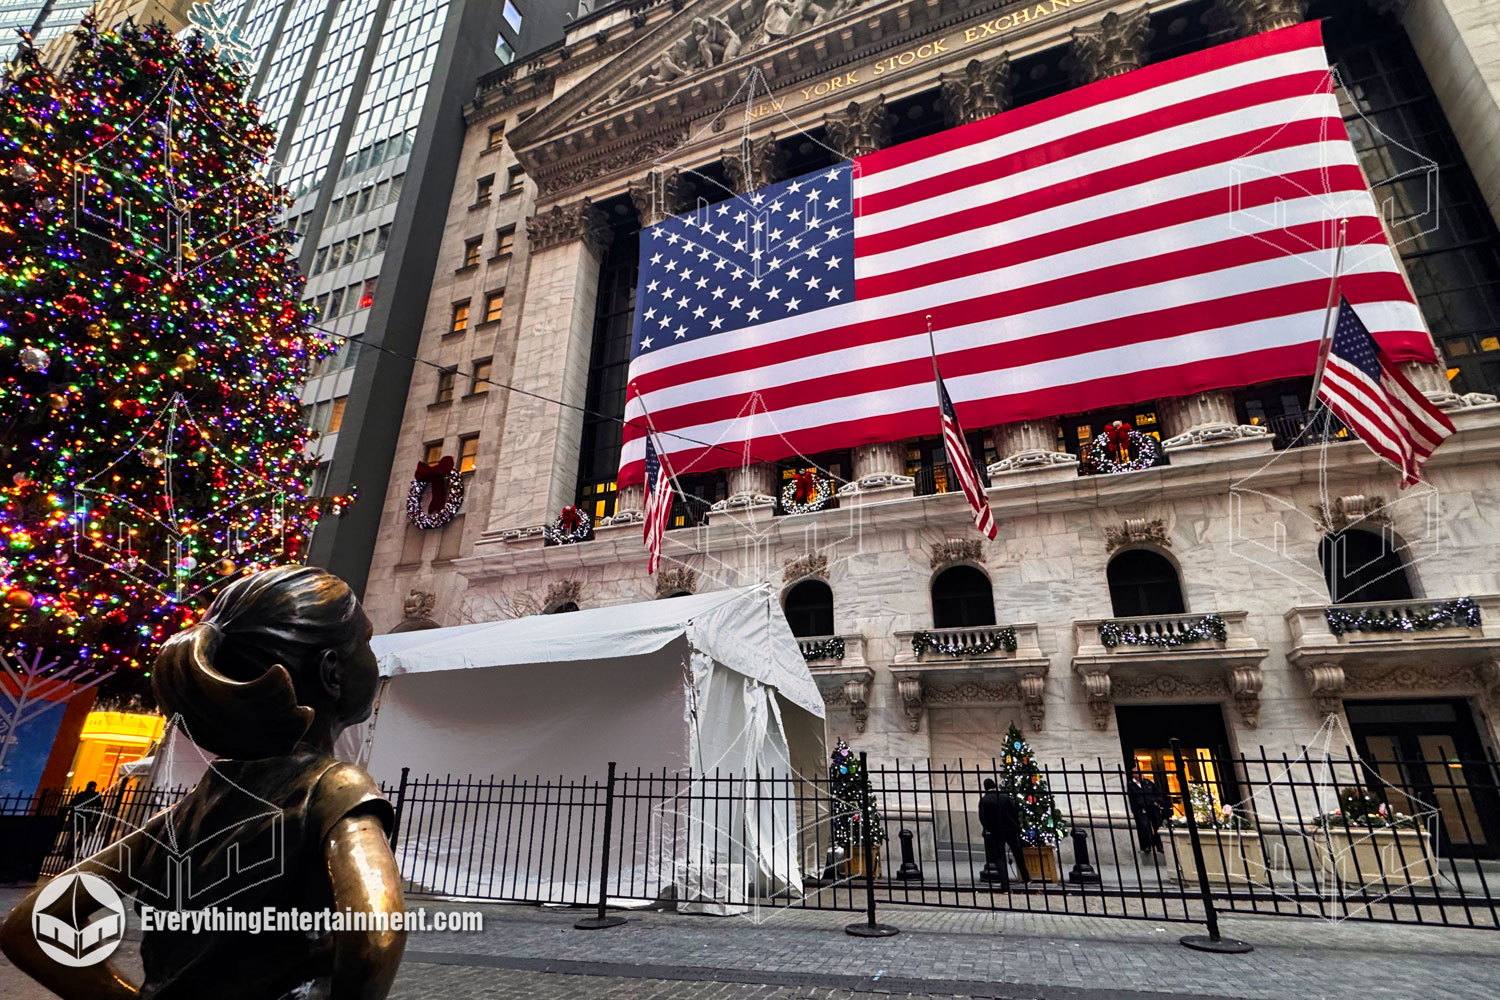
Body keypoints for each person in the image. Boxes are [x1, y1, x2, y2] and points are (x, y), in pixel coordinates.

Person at [1, 565, 407, 1000]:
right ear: (333, 672)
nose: (374, 656)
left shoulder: (193, 807)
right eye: (365, 641)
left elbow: (30, 927)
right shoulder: (334, 787)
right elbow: (376, 937)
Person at [977, 778, 1030, 890]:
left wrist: (988, 829)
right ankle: (1026, 877)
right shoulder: (1005, 797)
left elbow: (983, 818)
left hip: (996, 831)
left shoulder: (984, 800)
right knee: (1018, 854)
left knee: (1000, 857)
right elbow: (1014, 811)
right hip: (1010, 829)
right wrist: (1016, 825)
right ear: (995, 786)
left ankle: (1005, 885)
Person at [1127, 766, 1167, 854]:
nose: (1138, 774)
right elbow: (1132, 798)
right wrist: (1136, 808)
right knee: (1145, 827)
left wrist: (1157, 802)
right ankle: (1147, 846)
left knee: (1157, 825)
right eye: (1136, 772)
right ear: (1133, 774)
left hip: (1152, 807)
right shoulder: (1131, 785)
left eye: (1139, 772)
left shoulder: (1148, 782)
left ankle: (1159, 845)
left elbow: (1157, 792)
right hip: (1141, 808)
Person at [60, 781, 103, 860]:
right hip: (85, 818)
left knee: (74, 836)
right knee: (81, 836)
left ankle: (69, 852)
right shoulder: (93, 796)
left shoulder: (81, 795)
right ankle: (70, 851)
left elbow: (71, 804)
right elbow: (99, 808)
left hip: (79, 818)